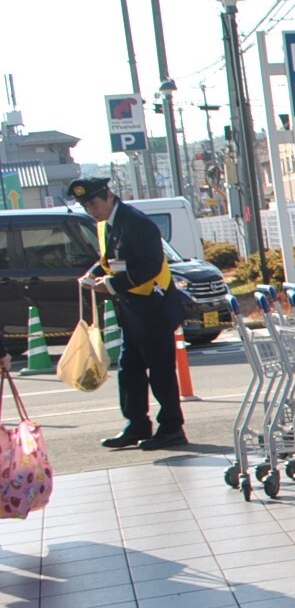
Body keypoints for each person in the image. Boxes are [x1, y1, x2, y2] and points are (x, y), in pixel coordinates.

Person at [68, 177, 186, 450]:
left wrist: (111, 284)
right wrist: (92, 274)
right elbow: (109, 259)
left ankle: (172, 427)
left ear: (109, 196)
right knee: (129, 370)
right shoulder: (106, 224)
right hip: (132, 308)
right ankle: (137, 424)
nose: (91, 210)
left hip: (154, 306)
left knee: (160, 371)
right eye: (86, 207)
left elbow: (151, 265)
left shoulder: (137, 223)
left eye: (93, 204)